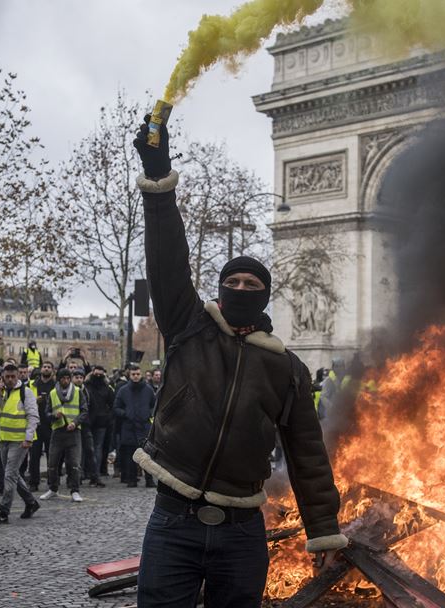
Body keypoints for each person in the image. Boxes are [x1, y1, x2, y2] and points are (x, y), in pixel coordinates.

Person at [131, 118, 346, 606]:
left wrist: (323, 530)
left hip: (241, 530)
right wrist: (159, 178)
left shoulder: (286, 368)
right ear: (221, 290)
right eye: (235, 282)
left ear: (266, 298)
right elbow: (167, 260)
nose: (242, 289)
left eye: (253, 286)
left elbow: (307, 452)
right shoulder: (188, 326)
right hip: (173, 519)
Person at [0, 363, 40, 525]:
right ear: (2, 377)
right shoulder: (2, 392)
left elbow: (33, 416)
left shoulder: (26, 392)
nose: (10, 380)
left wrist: (28, 438)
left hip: (20, 441)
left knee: (9, 475)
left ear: (17, 376)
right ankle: (31, 503)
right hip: (4, 439)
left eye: (13, 377)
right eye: (7, 377)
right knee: (13, 474)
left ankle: (3, 511)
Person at [44, 369, 88, 501]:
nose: (66, 381)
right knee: (52, 463)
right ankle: (53, 488)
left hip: (73, 431)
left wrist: (75, 423)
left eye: (68, 378)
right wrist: (53, 416)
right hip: (57, 431)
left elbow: (84, 411)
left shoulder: (78, 392)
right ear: (58, 379)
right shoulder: (52, 393)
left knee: (74, 463)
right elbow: (46, 413)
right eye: (63, 378)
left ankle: (75, 490)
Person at [114, 366, 155, 488]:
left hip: (144, 427)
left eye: (137, 374)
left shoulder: (148, 389)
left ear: (141, 374)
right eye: (133, 374)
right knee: (130, 456)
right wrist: (125, 414)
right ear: (129, 375)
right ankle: (131, 479)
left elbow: (154, 404)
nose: (136, 376)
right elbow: (116, 407)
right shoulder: (123, 390)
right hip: (129, 426)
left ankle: (149, 479)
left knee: (147, 455)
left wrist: (149, 413)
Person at [27, 361, 57, 492]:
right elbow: (26, 402)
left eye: (49, 367)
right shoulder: (32, 384)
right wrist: (36, 401)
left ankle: (52, 482)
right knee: (34, 455)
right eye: (44, 367)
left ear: (52, 370)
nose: (46, 369)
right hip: (36, 424)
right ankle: (34, 482)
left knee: (52, 456)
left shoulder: (56, 386)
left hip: (51, 424)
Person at [84, 365, 114, 486]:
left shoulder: (88, 386)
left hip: (97, 421)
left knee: (94, 449)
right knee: (94, 449)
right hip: (93, 421)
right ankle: (92, 474)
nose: (98, 376)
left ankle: (93, 474)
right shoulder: (105, 387)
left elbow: (112, 404)